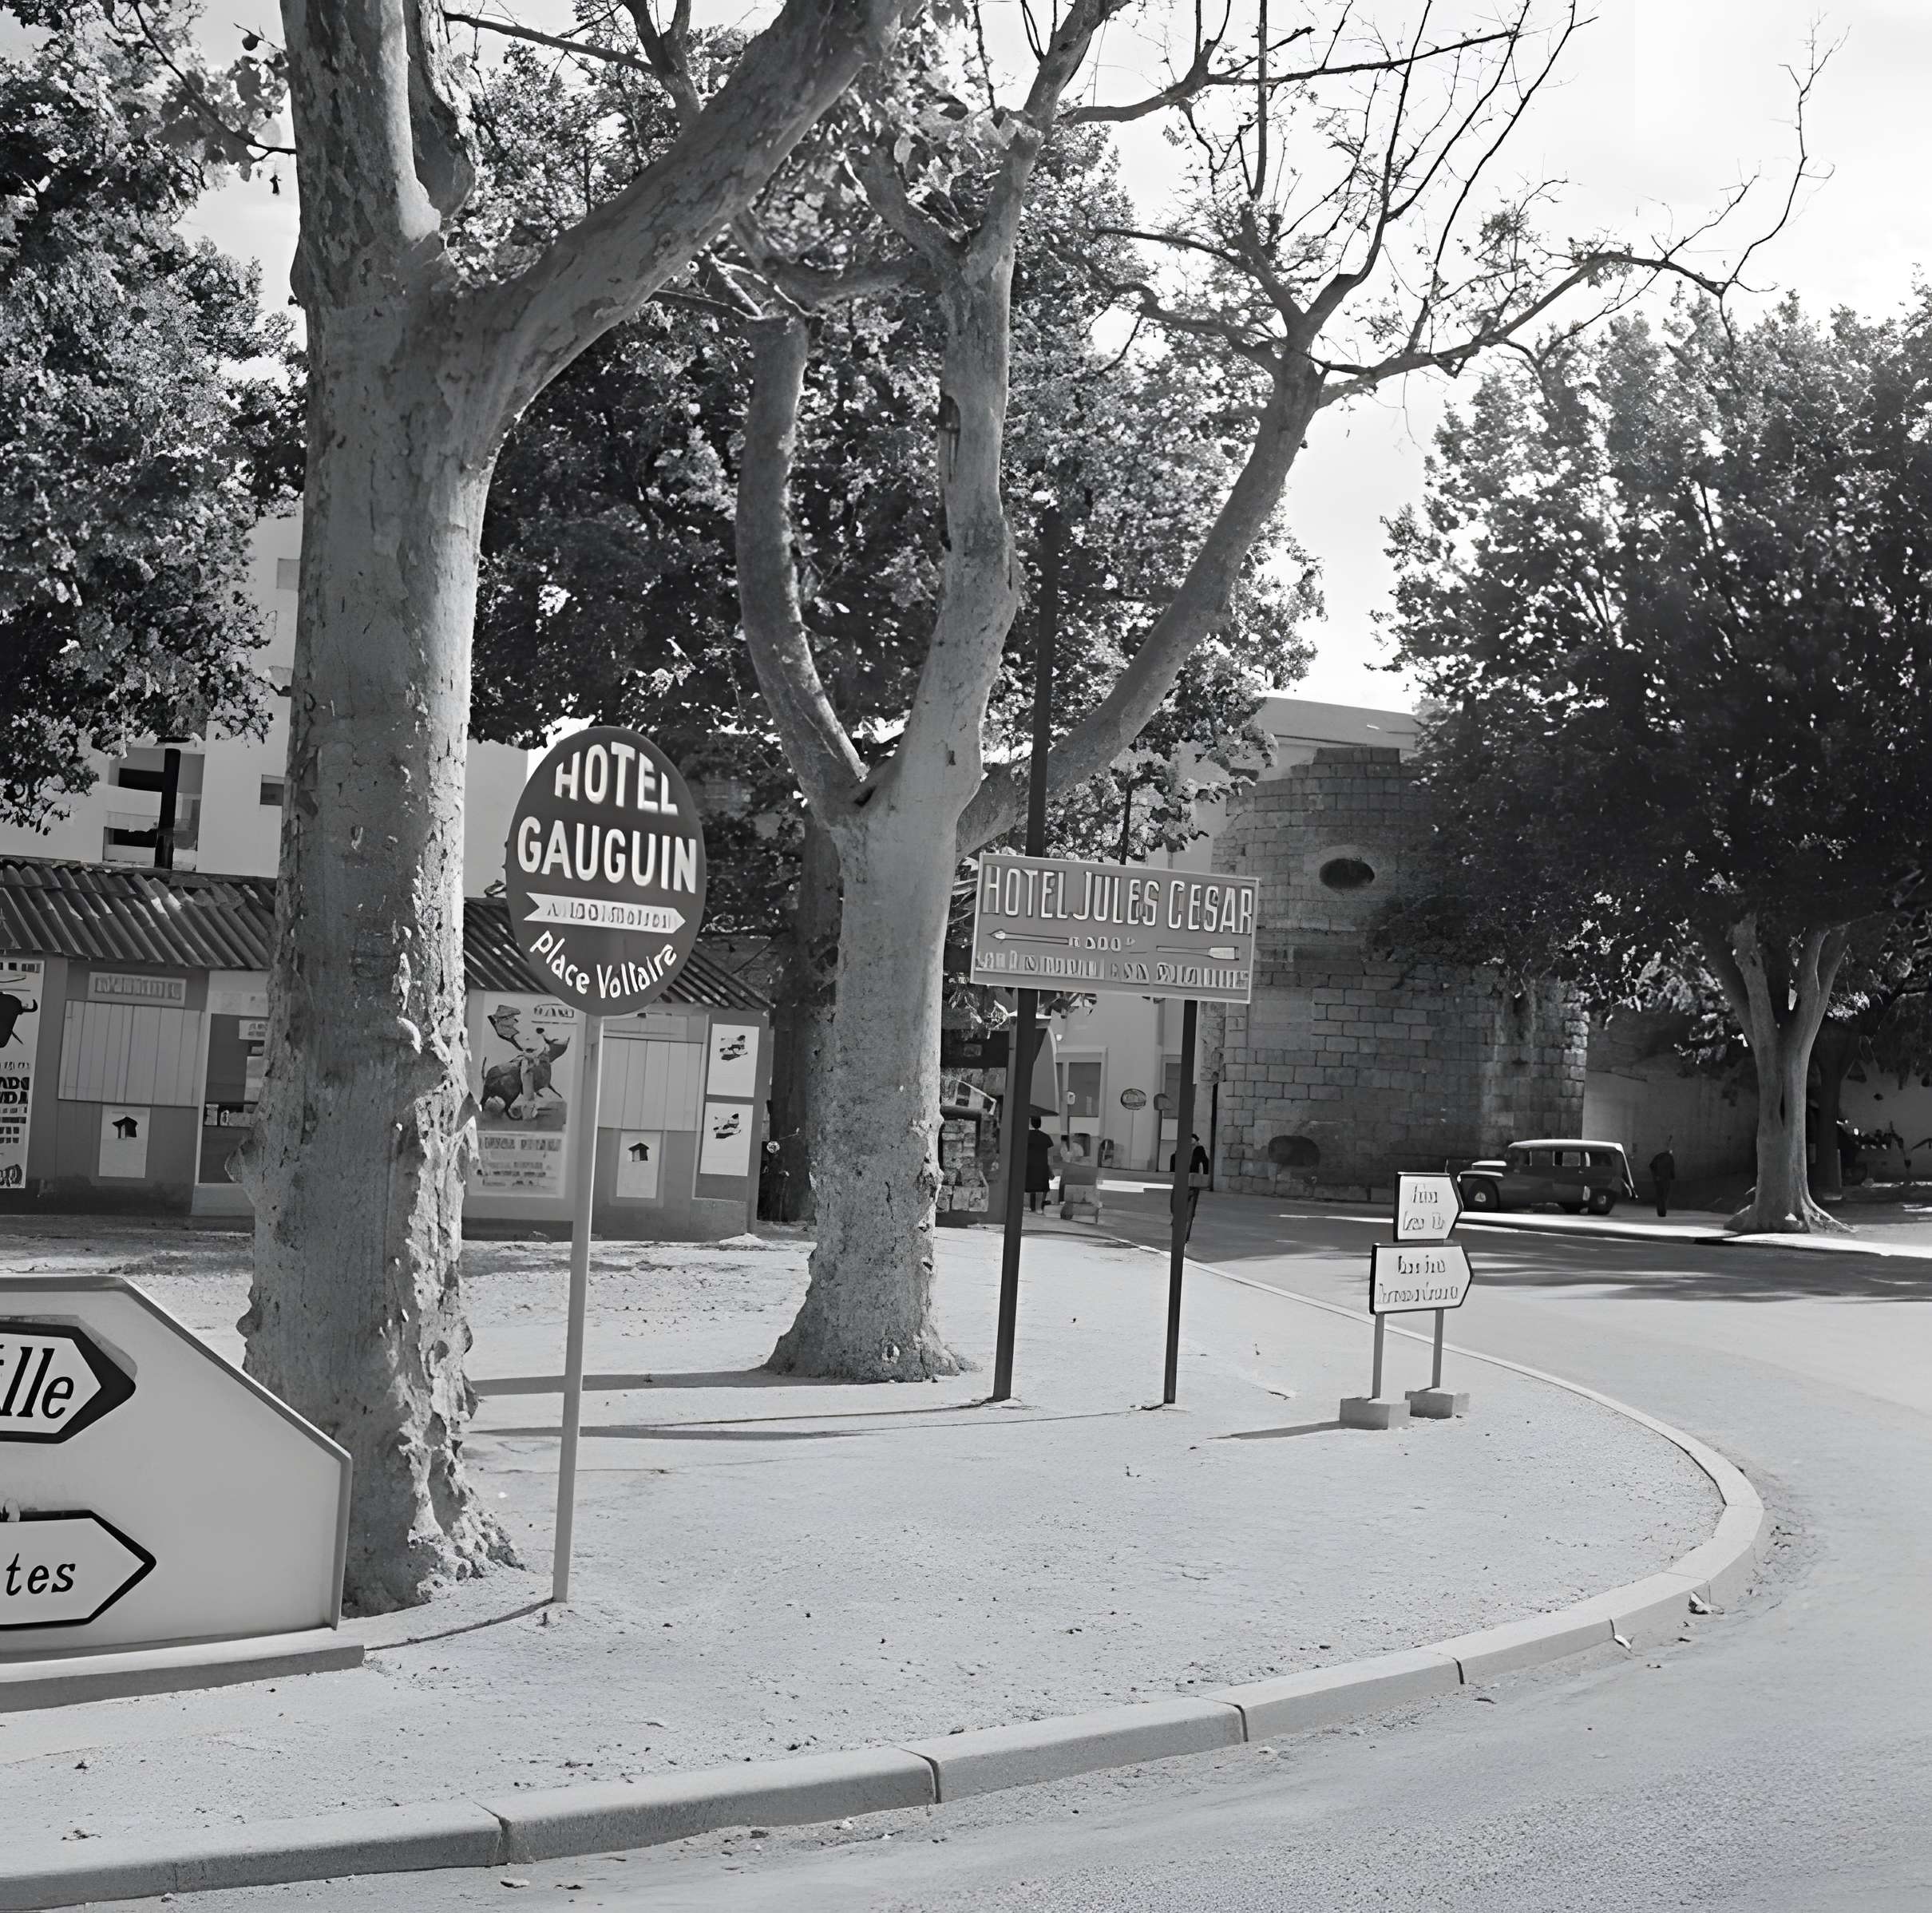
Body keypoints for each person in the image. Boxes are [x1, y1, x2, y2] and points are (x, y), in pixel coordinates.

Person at [1169, 1132, 1212, 1237]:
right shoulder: (1183, 1149)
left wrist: (1204, 1177)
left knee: (1189, 1209)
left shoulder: (1199, 1149)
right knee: (1176, 1205)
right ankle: (1178, 1221)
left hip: (1192, 1181)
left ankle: (1185, 1232)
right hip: (1183, 1180)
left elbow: (1205, 1162)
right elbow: (1174, 1158)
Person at [1024, 1115, 1053, 1214]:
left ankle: (1027, 1207)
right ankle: (1038, 1208)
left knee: (1027, 1187)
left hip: (1028, 1165)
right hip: (1042, 1166)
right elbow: (1049, 1155)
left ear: (1030, 1123)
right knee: (1040, 1188)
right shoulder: (1046, 1137)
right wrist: (1050, 1170)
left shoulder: (1025, 1135)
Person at [1649, 1142, 1677, 1218]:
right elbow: (1672, 1169)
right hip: (1666, 1179)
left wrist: (1655, 1176)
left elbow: (1651, 1166)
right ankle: (1663, 1212)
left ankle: (1660, 1211)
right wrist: (1672, 1177)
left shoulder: (1658, 1156)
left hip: (1658, 1179)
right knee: (1665, 1196)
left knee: (1659, 1196)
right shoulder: (1670, 1158)